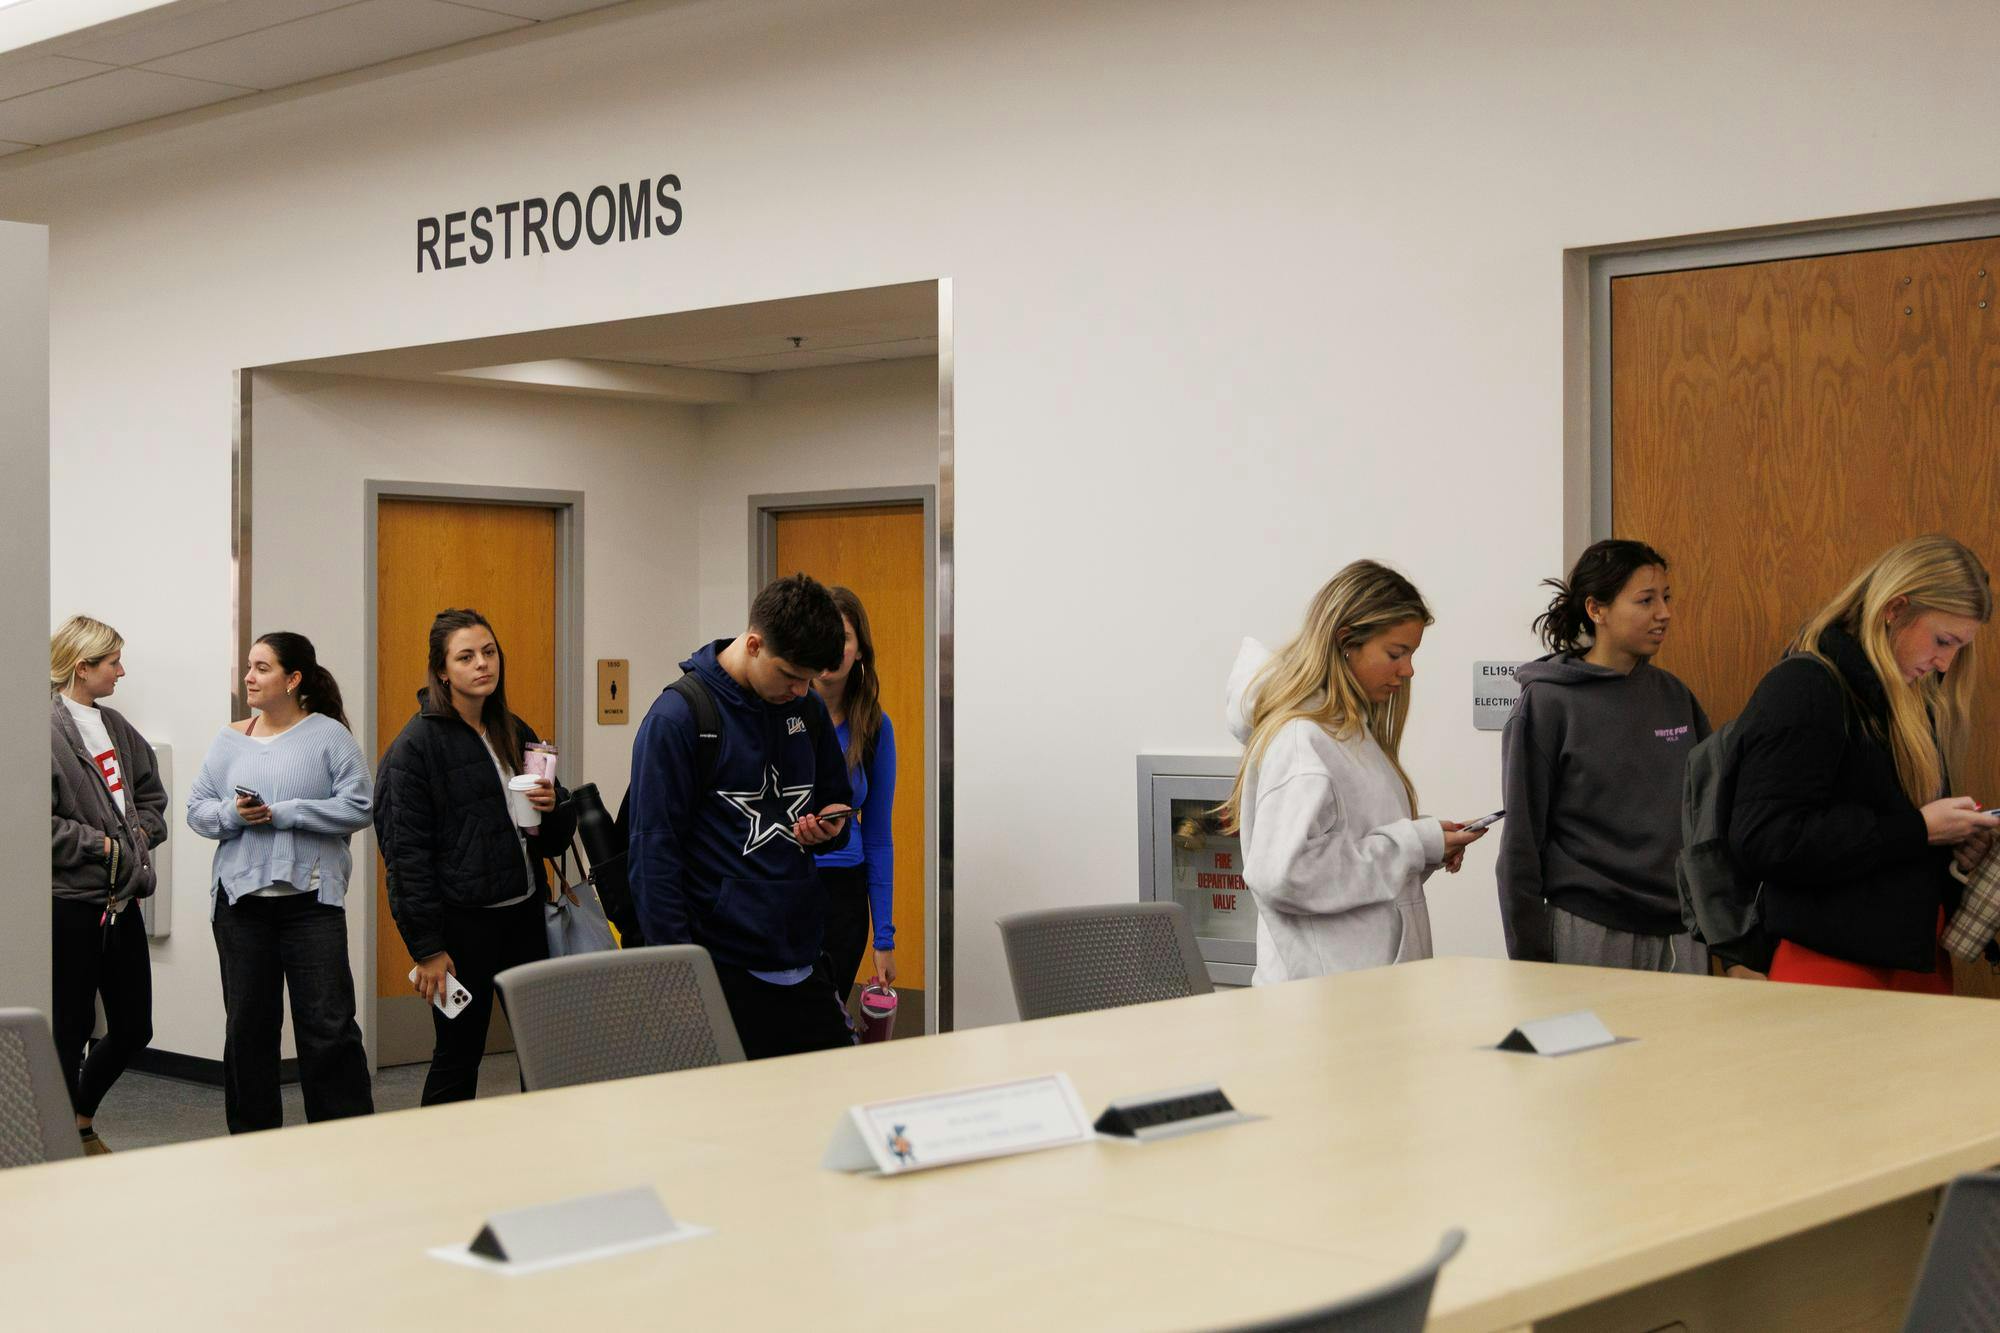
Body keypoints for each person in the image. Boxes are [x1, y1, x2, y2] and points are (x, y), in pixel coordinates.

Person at [1730, 534, 1998, 991]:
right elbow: (1765, 839)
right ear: (1894, 609)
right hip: (1831, 965)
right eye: (1942, 640)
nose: (1945, 664)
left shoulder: (1911, 697)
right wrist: (1918, 830)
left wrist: (1956, 845)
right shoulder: (1807, 687)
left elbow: (1892, 827)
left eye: (1959, 648)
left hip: (1913, 955)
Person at [1221, 560, 1486, 983]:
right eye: (1396, 653)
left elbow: (1349, 856)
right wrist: (1412, 844)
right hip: (1325, 1011)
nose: (1408, 670)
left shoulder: (1350, 735)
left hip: (1361, 996)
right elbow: (1283, 875)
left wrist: (1428, 847)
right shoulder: (1302, 741)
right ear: (1346, 641)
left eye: (1412, 655)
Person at [628, 573, 857, 1059]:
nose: (800, 690)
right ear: (753, 644)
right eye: (790, 675)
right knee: (731, 1125)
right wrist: (676, 978)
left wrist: (828, 830)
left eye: (809, 680)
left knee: (830, 1104)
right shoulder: (678, 718)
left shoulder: (807, 709)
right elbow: (653, 856)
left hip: (801, 955)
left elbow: (835, 807)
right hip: (719, 967)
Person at [375, 609, 574, 1104]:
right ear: (442, 671)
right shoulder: (414, 750)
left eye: (489, 652)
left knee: (543, 1048)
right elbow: (406, 858)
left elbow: (546, 836)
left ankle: (546, 1157)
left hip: (525, 916)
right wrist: (427, 949)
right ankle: (444, 1171)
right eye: (466, 657)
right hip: (462, 930)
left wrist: (553, 806)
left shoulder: (511, 727)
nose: (482, 664)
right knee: (458, 1055)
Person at [186, 632, 374, 1133]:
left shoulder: (329, 735)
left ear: (293, 680)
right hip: (240, 907)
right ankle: (252, 1142)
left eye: (262, 668)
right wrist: (235, 813)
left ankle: (345, 1138)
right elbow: (196, 811)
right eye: (249, 666)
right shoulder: (231, 738)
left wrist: (285, 813)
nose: (249, 677)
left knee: (328, 1029)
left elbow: (359, 807)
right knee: (248, 1031)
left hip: (311, 904)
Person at [1497, 540, 1712, 973]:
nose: (1664, 613)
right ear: (1597, 610)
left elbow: (1709, 820)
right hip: (1590, 929)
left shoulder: (1675, 697)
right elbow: (1521, 843)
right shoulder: (1547, 702)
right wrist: (1530, 965)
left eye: (1666, 598)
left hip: (1680, 931)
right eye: (1646, 600)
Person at [48, 615, 167, 1155]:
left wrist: (138, 835)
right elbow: (35, 823)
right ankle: (67, 1137)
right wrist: (103, 847)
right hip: (69, 904)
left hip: (122, 901)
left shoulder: (116, 726)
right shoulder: (42, 728)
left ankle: (78, 1116)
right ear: (82, 667)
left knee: (134, 1027)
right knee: (67, 1032)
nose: (121, 671)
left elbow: (150, 796)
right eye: (112, 662)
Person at [811, 586, 899, 1005]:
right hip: (783, 887)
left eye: (842, 637)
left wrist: (884, 937)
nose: (830, 647)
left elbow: (879, 836)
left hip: (844, 897)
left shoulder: (876, 728)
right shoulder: (778, 715)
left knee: (826, 1022)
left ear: (860, 650)